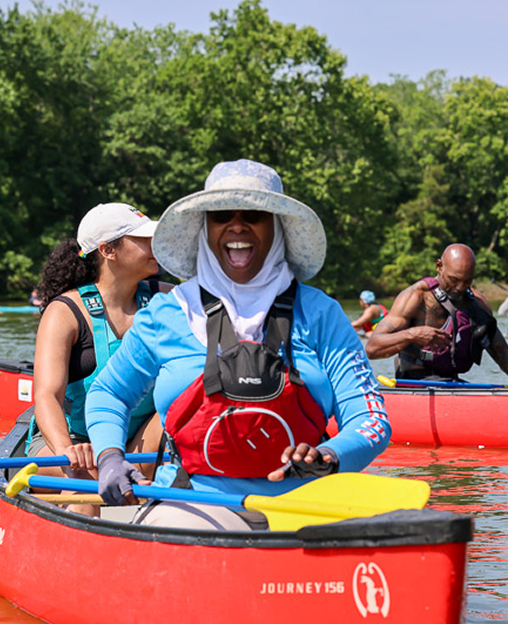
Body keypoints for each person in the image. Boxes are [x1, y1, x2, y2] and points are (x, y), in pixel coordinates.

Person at [85, 159, 391, 530]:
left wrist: (330, 454)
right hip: (193, 503)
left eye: (254, 214)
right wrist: (110, 457)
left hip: (307, 503)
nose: (237, 225)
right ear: (206, 228)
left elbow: (370, 419)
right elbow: (108, 393)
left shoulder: (321, 313)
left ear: (277, 227)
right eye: (221, 214)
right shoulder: (166, 312)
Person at [28, 202, 170, 513]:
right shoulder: (64, 312)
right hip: (75, 446)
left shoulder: (170, 299)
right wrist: (68, 451)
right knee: (86, 487)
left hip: (141, 443)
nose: (155, 246)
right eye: (144, 239)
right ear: (108, 251)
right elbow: (47, 396)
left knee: (177, 406)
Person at [365, 244, 508, 388]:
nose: (460, 288)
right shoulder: (415, 297)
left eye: (467, 281)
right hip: (414, 385)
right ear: (439, 266)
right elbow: (372, 348)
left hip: (454, 386)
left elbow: (500, 350)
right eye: (454, 280)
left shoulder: (477, 303)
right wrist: (413, 334)